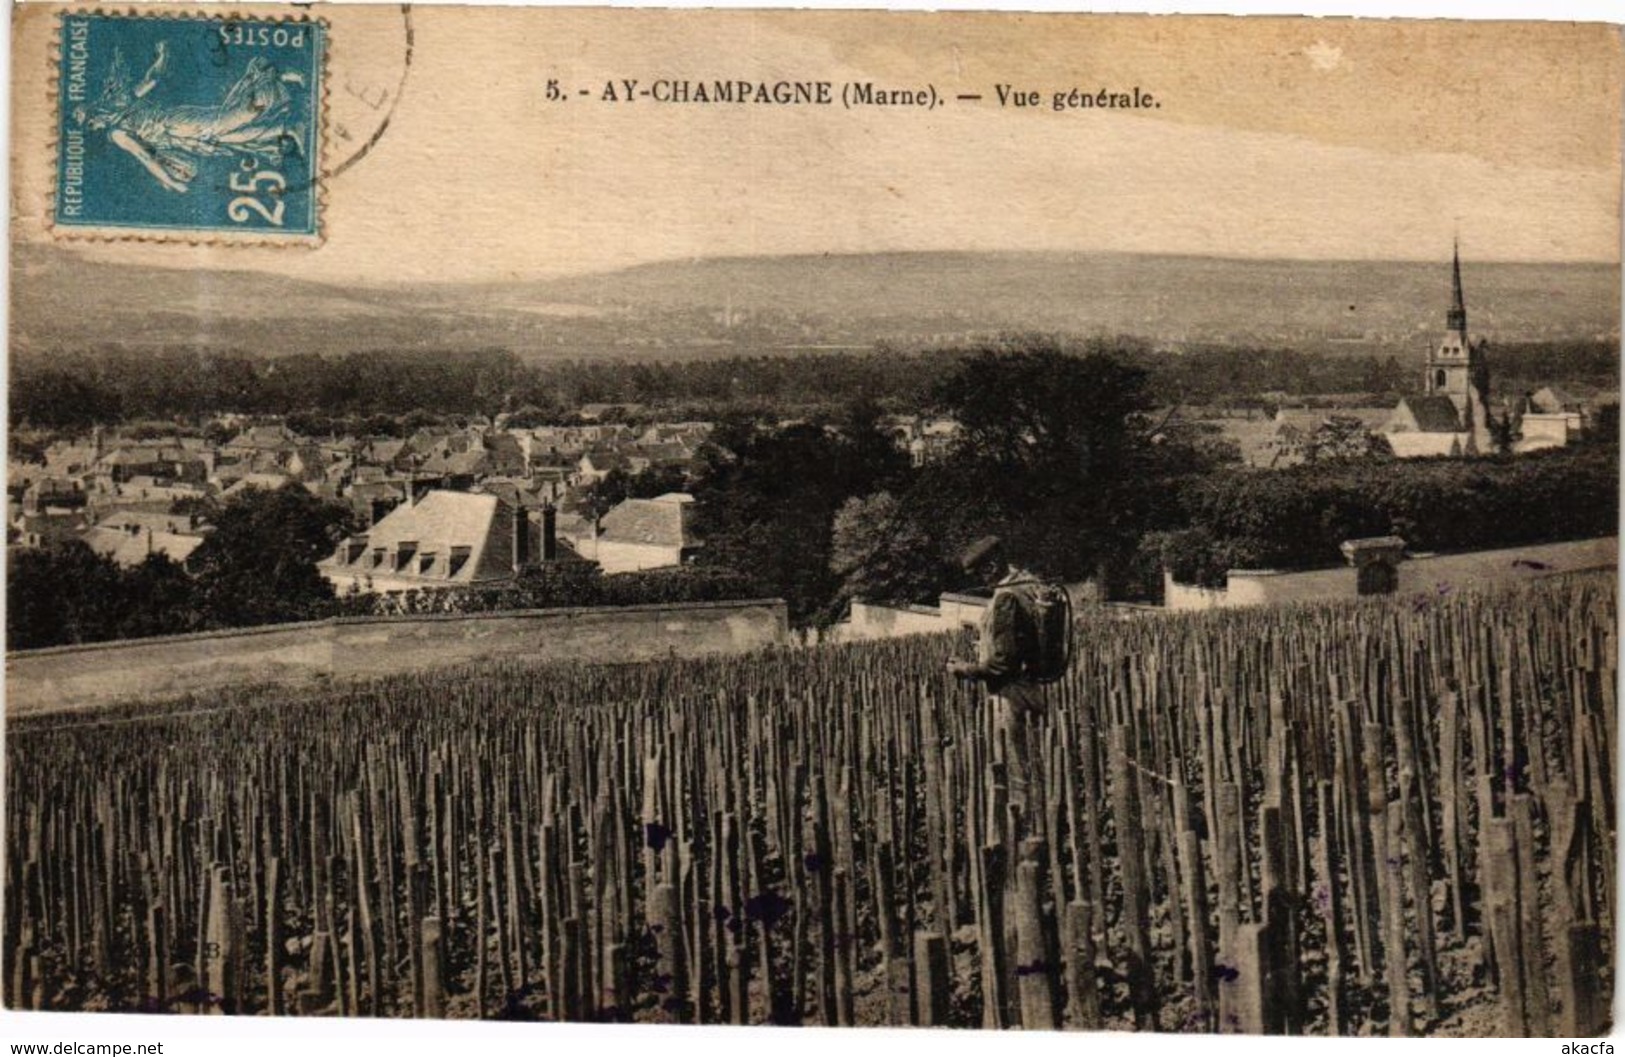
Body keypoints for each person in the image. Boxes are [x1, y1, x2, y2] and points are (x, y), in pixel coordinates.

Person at [946, 534, 1052, 837]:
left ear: (992, 565)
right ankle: (1041, 823)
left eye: (980, 572)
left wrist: (965, 669)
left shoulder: (1005, 598)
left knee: (1016, 764)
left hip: (1011, 694)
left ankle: (1028, 834)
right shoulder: (1027, 584)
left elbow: (1002, 664)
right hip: (1033, 687)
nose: (981, 579)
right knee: (1033, 760)